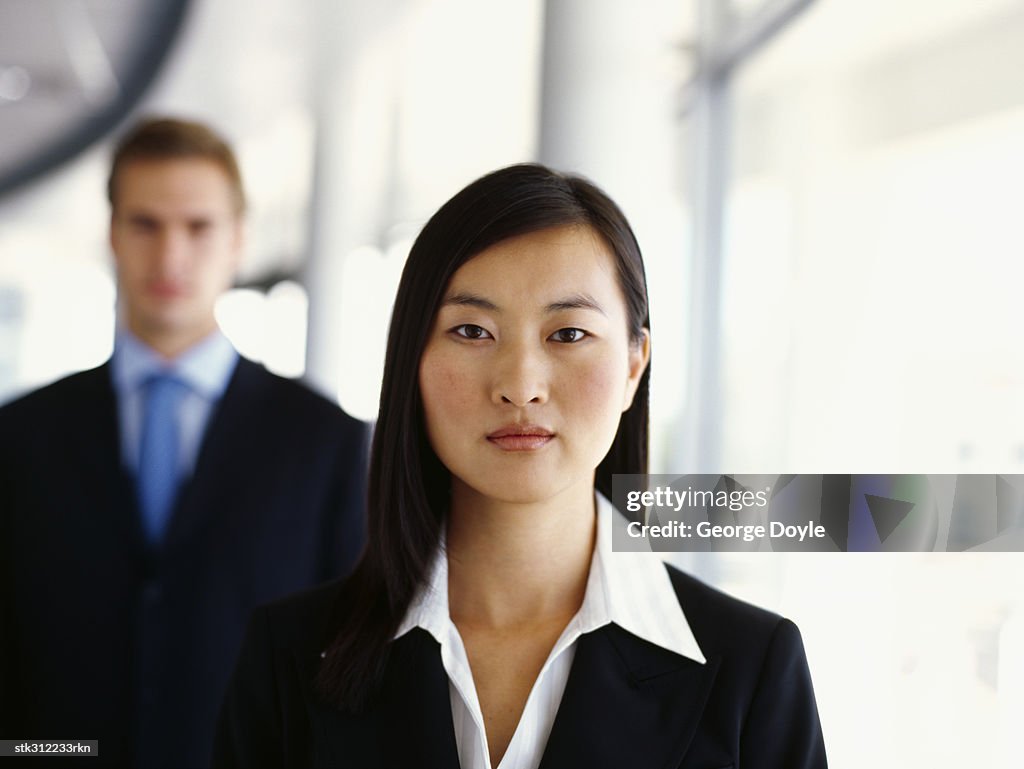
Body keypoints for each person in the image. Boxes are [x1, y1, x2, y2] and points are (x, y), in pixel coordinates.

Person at [213, 164, 827, 768]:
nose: (520, 386)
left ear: (635, 366)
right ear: (412, 362)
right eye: (473, 330)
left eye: (568, 335)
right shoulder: (289, 656)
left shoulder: (753, 669)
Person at [0, 118, 369, 768]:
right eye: (146, 224)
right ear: (113, 235)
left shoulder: (326, 442)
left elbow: (347, 656)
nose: (171, 256)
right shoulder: (19, 434)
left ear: (238, 241)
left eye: (198, 227)